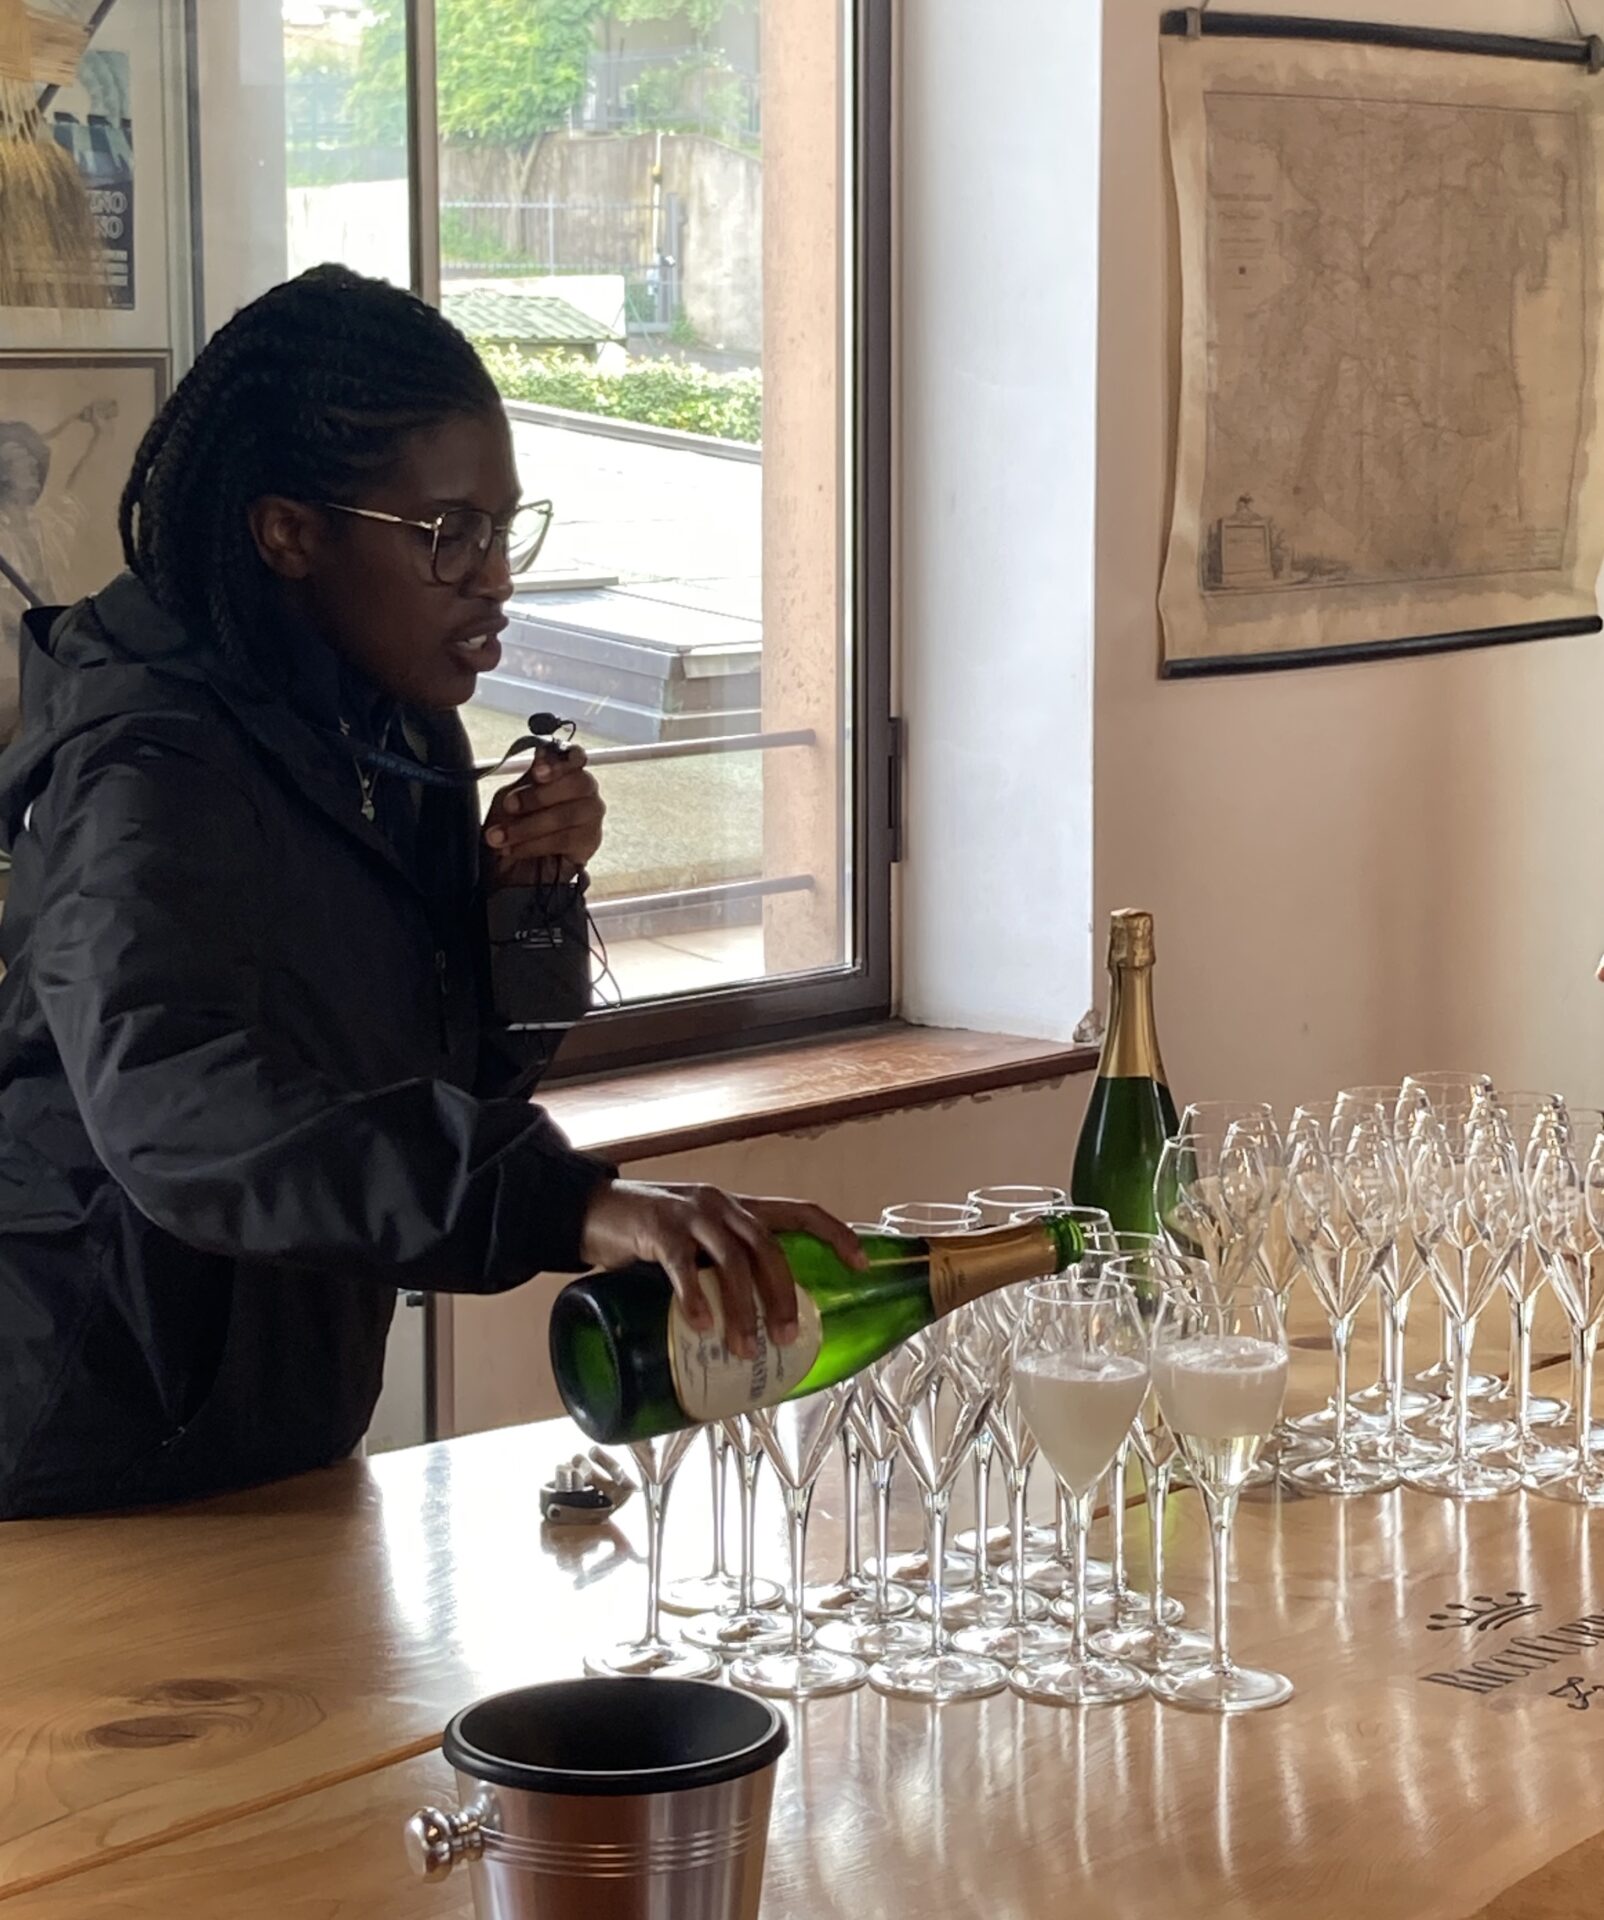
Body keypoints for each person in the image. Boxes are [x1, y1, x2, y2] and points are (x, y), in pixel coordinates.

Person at [0, 265, 859, 1520]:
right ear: (289, 531)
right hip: (77, 1456)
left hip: (276, 1438)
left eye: (503, 528)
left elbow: (454, 1080)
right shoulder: (146, 762)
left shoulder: (389, 732)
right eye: (446, 534)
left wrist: (525, 903)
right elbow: (177, 1115)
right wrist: (575, 1204)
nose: (495, 577)